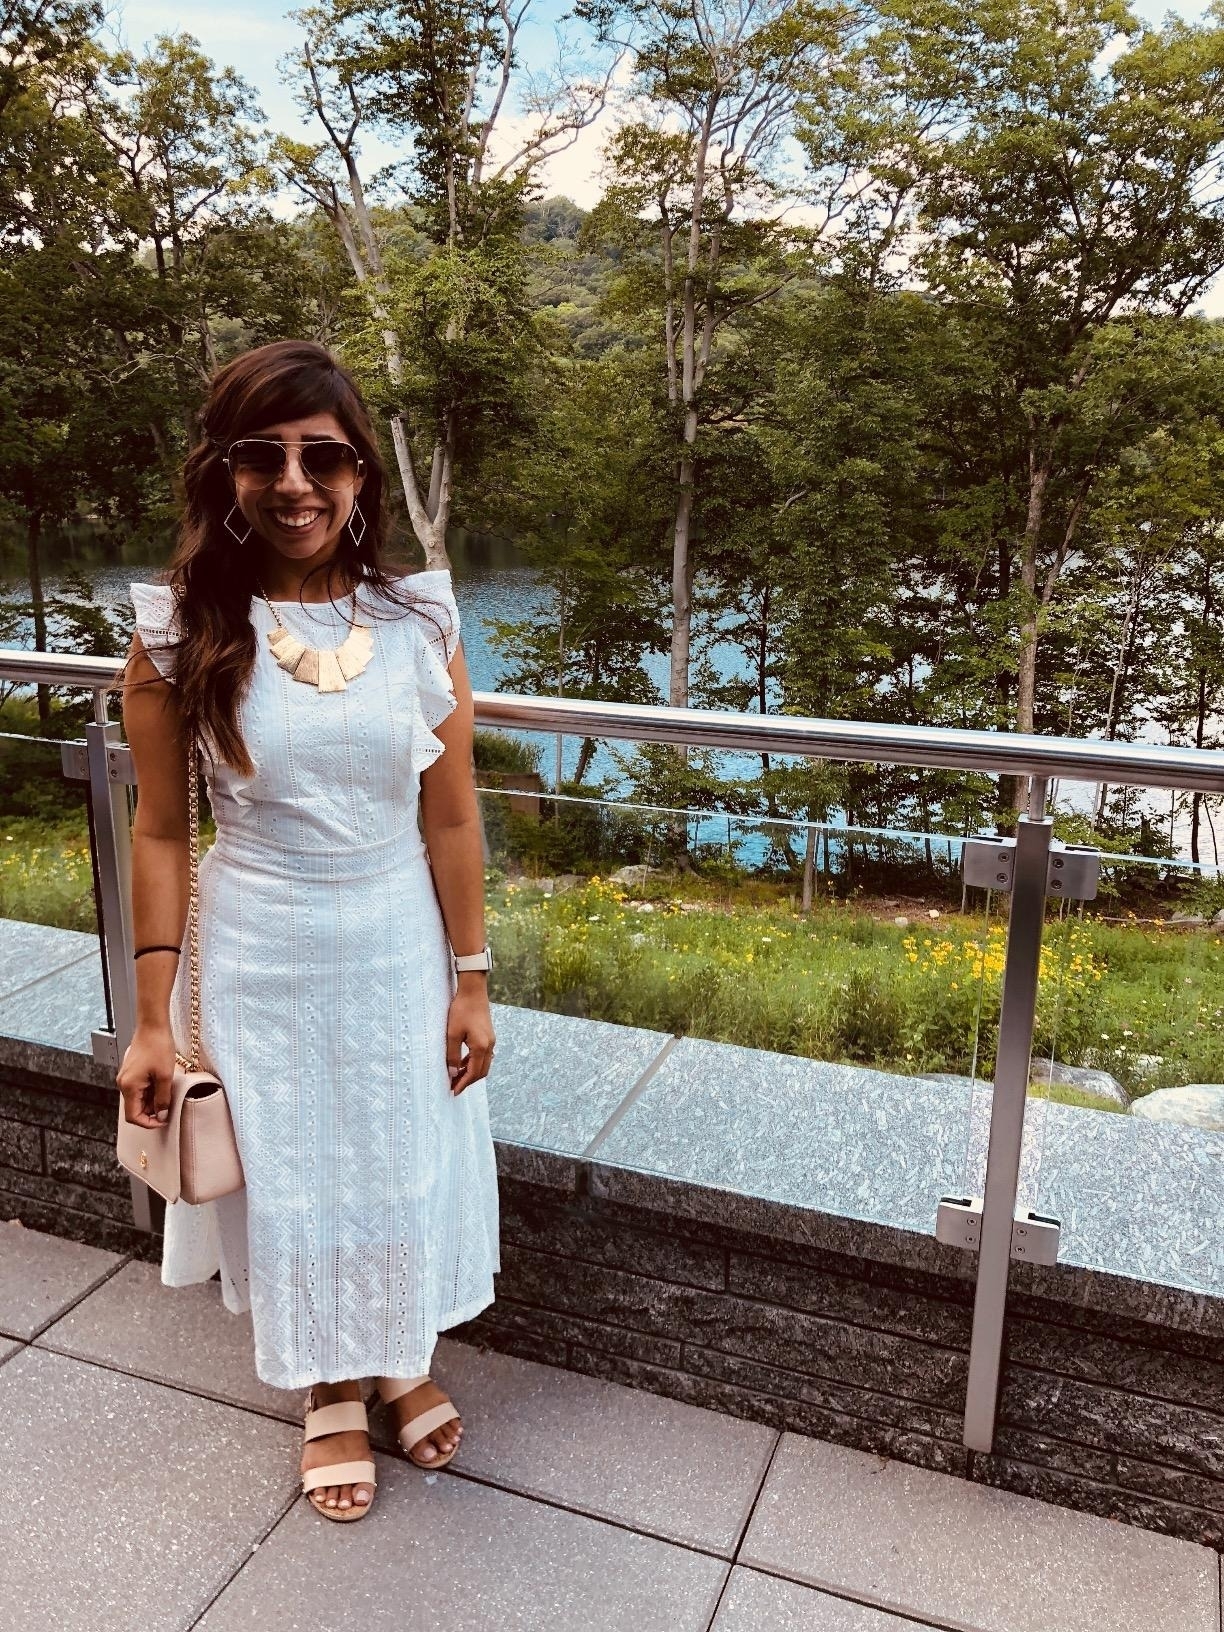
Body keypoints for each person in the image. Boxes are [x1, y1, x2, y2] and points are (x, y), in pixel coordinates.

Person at [116, 339, 500, 1523]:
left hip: (396, 942)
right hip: (260, 946)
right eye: (263, 456)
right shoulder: (178, 634)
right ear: (224, 475)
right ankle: (328, 1385)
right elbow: (162, 834)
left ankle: (394, 1355)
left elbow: (451, 815)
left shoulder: (419, 621)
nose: (294, 483)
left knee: (396, 1155)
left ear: (360, 474)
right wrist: (149, 1022)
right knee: (292, 1172)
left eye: (321, 457)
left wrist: (473, 977)